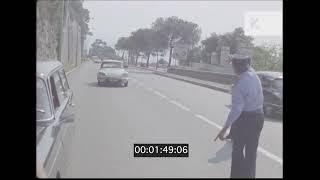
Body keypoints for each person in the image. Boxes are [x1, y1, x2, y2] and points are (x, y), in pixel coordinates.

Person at [214, 54, 264, 178]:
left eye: (233, 65)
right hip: (259, 117)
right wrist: (233, 58)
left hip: (245, 119)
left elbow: (236, 110)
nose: (232, 68)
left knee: (237, 152)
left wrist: (224, 129)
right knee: (251, 153)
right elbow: (247, 64)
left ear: (236, 67)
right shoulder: (253, 74)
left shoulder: (240, 85)